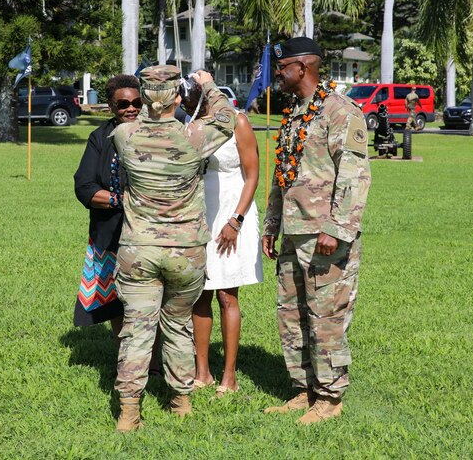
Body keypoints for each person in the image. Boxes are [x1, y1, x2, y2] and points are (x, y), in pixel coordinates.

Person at [111, 65, 236, 432]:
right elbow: (227, 116)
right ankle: (180, 402)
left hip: (139, 249)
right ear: (177, 97)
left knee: (137, 330)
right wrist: (208, 84)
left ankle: (129, 413)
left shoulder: (124, 134)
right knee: (178, 324)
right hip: (186, 251)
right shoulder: (194, 136)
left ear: (145, 96)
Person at [261, 37, 371, 425]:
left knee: (326, 314)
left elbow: (355, 175)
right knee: (291, 313)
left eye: (283, 67)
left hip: (325, 235)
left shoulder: (340, 111)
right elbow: (283, 173)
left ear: (303, 67)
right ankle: (303, 389)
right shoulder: (295, 112)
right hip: (293, 232)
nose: (278, 73)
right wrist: (272, 223)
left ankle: (330, 397)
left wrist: (337, 229)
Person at [183, 81, 262, 398]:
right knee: (199, 294)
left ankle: (229, 376)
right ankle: (202, 371)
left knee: (227, 295)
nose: (187, 107)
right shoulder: (191, 128)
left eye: (190, 101)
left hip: (232, 214)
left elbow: (253, 174)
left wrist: (236, 220)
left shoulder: (238, 121)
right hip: (200, 217)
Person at [72, 75, 142, 335]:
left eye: (137, 102)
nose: (131, 108)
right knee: (117, 302)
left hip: (153, 233)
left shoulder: (157, 134)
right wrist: (120, 200)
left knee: (153, 300)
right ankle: (126, 359)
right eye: (123, 104)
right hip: (112, 232)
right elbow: (85, 187)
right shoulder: (101, 137)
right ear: (111, 106)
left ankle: (155, 364)